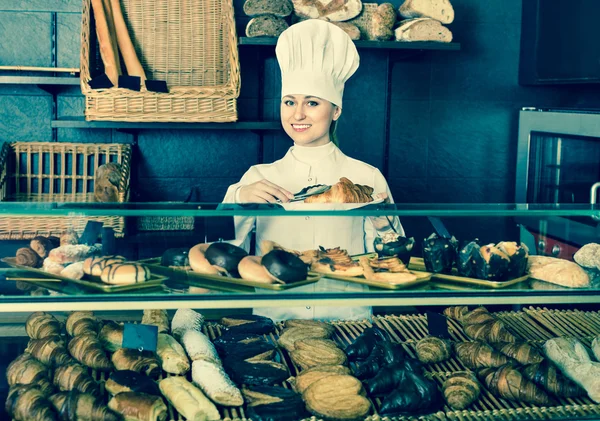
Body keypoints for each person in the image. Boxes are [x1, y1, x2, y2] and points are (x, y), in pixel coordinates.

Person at [222, 19, 403, 320]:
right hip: (276, 321)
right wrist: (238, 198)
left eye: (313, 103)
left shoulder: (367, 178)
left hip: (348, 322)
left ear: (336, 111)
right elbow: (223, 256)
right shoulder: (258, 177)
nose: (298, 114)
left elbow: (395, 261)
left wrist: (384, 226)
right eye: (289, 102)